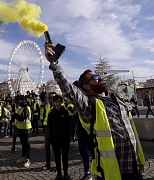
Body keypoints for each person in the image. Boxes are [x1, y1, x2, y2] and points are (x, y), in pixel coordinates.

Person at [44, 42, 146, 180]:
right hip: (112, 172)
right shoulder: (89, 105)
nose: (100, 77)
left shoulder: (117, 100)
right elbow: (69, 90)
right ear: (86, 86)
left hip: (133, 167)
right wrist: (54, 64)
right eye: (95, 77)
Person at [47, 95, 71, 180]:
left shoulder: (65, 112)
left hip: (65, 138)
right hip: (55, 139)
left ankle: (66, 173)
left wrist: (69, 136)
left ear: (61, 102)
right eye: (56, 101)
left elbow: (69, 125)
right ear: (53, 102)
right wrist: (51, 138)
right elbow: (49, 127)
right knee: (57, 157)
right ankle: (59, 174)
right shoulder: (51, 113)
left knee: (65, 156)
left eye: (59, 101)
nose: (57, 103)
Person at [14, 95, 32, 167]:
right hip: (20, 128)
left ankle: (28, 158)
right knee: (23, 144)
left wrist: (14, 114)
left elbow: (22, 117)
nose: (19, 102)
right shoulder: (21, 108)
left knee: (26, 144)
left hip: (26, 128)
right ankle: (23, 157)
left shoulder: (26, 108)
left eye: (20, 100)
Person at [42, 92, 56, 171]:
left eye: (53, 97)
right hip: (48, 128)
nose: (51, 98)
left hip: (56, 129)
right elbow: (45, 115)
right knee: (47, 147)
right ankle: (47, 163)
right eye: (50, 97)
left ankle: (58, 164)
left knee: (57, 148)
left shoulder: (59, 106)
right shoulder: (47, 106)